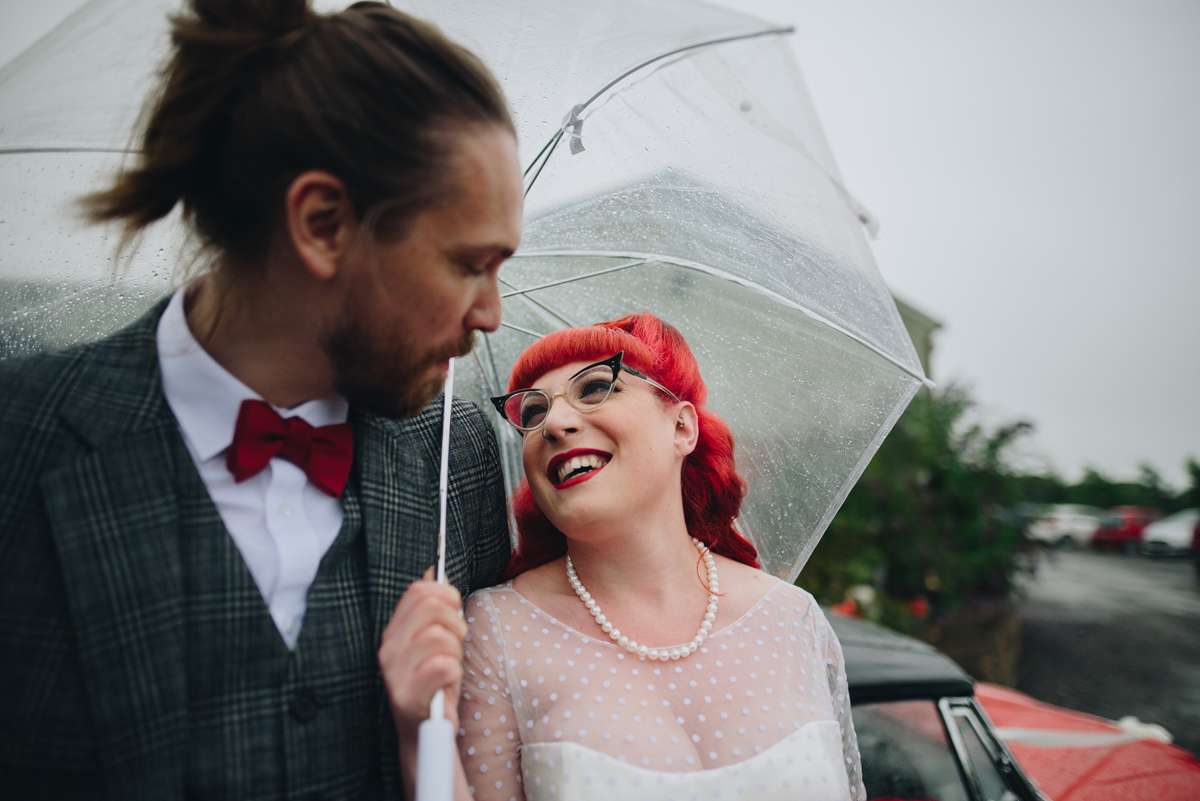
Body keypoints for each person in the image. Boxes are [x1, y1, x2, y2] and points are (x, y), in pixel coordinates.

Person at [0, 1, 522, 799]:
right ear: (322, 223)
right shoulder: (21, 437)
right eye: (469, 264)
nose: (490, 313)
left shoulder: (461, 457)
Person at [381, 314, 866, 800]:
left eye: (595, 388)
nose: (554, 424)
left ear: (682, 427)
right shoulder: (497, 632)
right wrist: (419, 736)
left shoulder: (793, 617)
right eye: (532, 412)